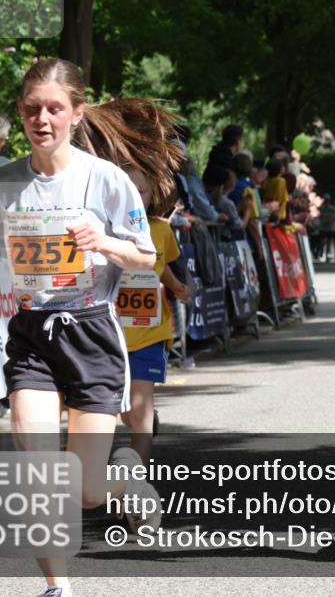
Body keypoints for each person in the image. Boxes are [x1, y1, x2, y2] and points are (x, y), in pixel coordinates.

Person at [0, 58, 182, 597]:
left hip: (92, 335)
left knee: (85, 492)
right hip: (32, 334)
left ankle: (124, 481)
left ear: (76, 113)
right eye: (32, 108)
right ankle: (57, 588)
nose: (42, 119)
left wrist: (102, 241)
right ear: (21, 111)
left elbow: (145, 256)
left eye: (54, 109)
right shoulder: (2, 183)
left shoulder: (105, 179)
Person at [119, 167, 190, 463]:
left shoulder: (160, 231)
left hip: (149, 335)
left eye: (142, 191)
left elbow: (164, 266)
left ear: (154, 196)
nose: (134, 197)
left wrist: (178, 287)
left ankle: (133, 475)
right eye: (127, 189)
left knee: (139, 414)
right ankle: (145, 417)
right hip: (109, 337)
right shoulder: (102, 231)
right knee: (127, 414)